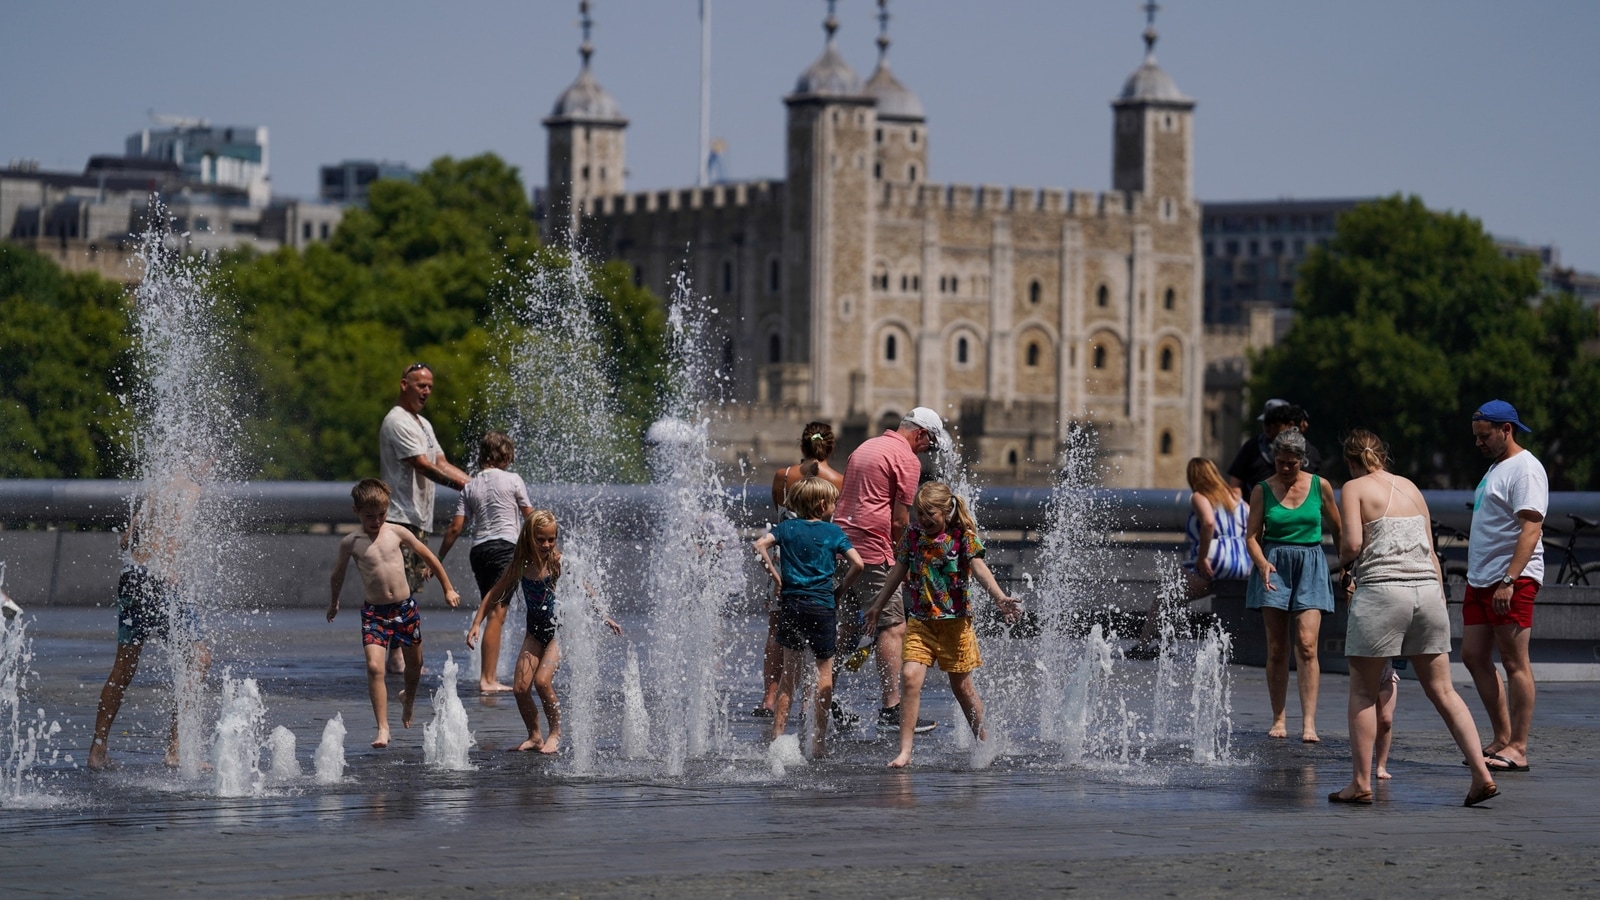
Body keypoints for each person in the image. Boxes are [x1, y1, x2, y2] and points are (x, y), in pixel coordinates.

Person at [1330, 429, 1497, 806]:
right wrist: (1437, 594)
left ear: (1352, 461)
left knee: (1362, 691)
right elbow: (1432, 551)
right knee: (1443, 690)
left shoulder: (1354, 488)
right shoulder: (1411, 487)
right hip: (1428, 594)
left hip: (1383, 592)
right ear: (1384, 456)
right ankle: (1480, 773)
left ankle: (1360, 783)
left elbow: (1354, 544)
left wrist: (1344, 563)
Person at [871, 482, 1021, 768]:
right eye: (919, 514)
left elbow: (979, 569)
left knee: (962, 688)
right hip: (921, 623)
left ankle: (984, 742)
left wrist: (1000, 597)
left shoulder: (962, 537)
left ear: (947, 512)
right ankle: (905, 752)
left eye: (930, 515)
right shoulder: (913, 536)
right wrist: (878, 605)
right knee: (910, 677)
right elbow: (897, 571)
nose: (924, 520)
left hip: (956, 625)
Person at [467, 510, 621, 754]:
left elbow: (586, 588)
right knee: (520, 688)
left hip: (559, 633)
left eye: (551, 539)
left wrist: (604, 616)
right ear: (529, 537)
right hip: (535, 632)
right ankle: (535, 736)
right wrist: (477, 623)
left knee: (542, 681)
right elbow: (495, 592)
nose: (547, 544)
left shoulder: (558, 562)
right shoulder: (520, 564)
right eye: (541, 539)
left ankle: (555, 733)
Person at [835, 407, 946, 734]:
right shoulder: (907, 460)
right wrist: (905, 562)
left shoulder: (864, 447)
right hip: (873, 551)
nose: (927, 451)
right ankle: (891, 708)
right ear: (920, 434)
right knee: (893, 626)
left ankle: (819, 697)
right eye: (930, 444)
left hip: (841, 546)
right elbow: (899, 521)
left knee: (846, 628)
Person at [88, 476, 211, 770]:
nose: (212, 467)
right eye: (210, 461)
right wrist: (167, 564)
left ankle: (97, 751)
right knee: (199, 659)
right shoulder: (191, 488)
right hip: (160, 579)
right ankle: (174, 750)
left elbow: (126, 540)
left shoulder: (161, 486)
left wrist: (146, 558)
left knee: (123, 668)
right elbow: (177, 531)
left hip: (132, 577)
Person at [328, 479, 462, 749]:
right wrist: (334, 602)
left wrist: (448, 588)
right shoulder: (350, 543)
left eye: (381, 514)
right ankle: (382, 727)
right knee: (375, 667)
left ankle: (408, 699)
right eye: (369, 516)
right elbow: (337, 574)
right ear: (356, 511)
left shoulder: (397, 532)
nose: (376, 521)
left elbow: (429, 557)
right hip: (374, 614)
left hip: (405, 609)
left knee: (414, 667)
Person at [1462, 400, 1546, 774]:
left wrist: (1509, 580)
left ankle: (1519, 748)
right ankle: (1501, 737)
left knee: (1514, 662)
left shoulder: (1525, 469)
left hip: (1511, 579)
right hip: (1481, 578)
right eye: (1475, 437)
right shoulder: (1496, 467)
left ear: (1506, 429)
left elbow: (1531, 529)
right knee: (1473, 655)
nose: (1478, 443)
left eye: (1484, 436)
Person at [752, 478, 865, 757]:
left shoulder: (786, 528)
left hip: (792, 606)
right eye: (834, 503)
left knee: (789, 675)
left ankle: (778, 740)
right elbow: (858, 564)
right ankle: (818, 744)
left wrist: (777, 579)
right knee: (823, 676)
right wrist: (840, 591)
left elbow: (759, 546)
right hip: (823, 607)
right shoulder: (833, 532)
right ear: (822, 505)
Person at [1244, 428, 1341, 743]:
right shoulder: (1262, 490)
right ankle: (1279, 717)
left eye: (1291, 463)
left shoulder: (1320, 486)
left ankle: (1309, 722)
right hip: (1274, 565)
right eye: (1280, 462)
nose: (1285, 469)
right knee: (1276, 647)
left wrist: (1350, 567)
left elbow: (1339, 529)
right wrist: (1261, 563)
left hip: (1310, 564)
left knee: (1307, 644)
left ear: (1303, 460)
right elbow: (1251, 536)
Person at [379, 363, 470, 674]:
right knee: (399, 589)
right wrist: (463, 486)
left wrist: (476, 484)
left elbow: (440, 461)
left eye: (430, 386)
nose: (426, 391)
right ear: (404, 385)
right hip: (399, 516)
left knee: (411, 587)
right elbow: (422, 465)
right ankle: (395, 655)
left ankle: (397, 652)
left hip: (419, 517)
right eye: (420, 385)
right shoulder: (397, 421)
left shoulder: (424, 425)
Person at [754, 422, 847, 718]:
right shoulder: (840, 481)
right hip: (821, 563)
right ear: (831, 448)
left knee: (777, 630)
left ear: (802, 446)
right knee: (820, 635)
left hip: (785, 561)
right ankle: (809, 700)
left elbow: (780, 516)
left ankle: (770, 697)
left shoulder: (782, 477)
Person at [438, 431, 532, 694]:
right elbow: (530, 516)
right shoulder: (513, 480)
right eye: (510, 453)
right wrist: (549, 546)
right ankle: (488, 679)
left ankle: (487, 675)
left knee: (493, 611)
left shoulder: (469, 486)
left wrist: (438, 559)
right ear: (503, 455)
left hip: (479, 551)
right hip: (505, 549)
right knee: (498, 614)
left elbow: (456, 528)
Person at [1130, 457, 1251, 658]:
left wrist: (1203, 557)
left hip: (1216, 562)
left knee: (1165, 594)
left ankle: (1146, 646)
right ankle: (1165, 644)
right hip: (1242, 563)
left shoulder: (1200, 497)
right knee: (1175, 593)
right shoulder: (1238, 499)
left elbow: (1209, 523)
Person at [1226, 401, 1322, 491]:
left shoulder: (1308, 451)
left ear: (1290, 424)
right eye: (1266, 423)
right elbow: (1235, 484)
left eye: (1274, 424)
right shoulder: (1251, 447)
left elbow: (1314, 486)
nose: (1268, 428)